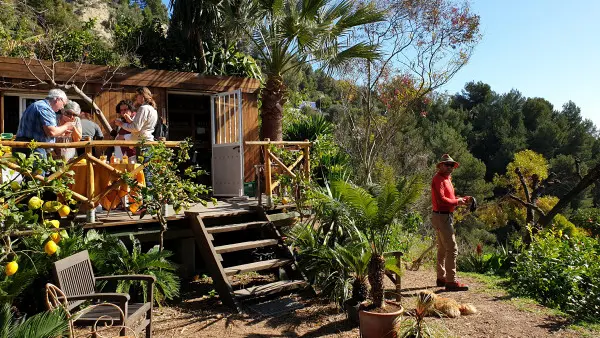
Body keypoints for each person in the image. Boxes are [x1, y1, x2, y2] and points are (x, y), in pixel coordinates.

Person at [431, 154, 472, 291]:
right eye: (447, 165)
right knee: (452, 248)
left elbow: (451, 198)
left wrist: (462, 200)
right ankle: (451, 281)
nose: (450, 167)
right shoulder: (439, 179)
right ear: (441, 166)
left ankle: (441, 277)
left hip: (443, 216)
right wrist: (456, 202)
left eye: (452, 165)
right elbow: (441, 199)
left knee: (442, 248)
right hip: (442, 217)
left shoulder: (446, 179)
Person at [15, 89, 74, 157]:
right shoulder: (44, 108)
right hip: (33, 148)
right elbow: (52, 132)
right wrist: (66, 126)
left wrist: (61, 132)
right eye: (63, 104)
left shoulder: (39, 105)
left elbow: (44, 132)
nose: (62, 107)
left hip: (28, 147)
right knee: (38, 168)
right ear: (58, 99)